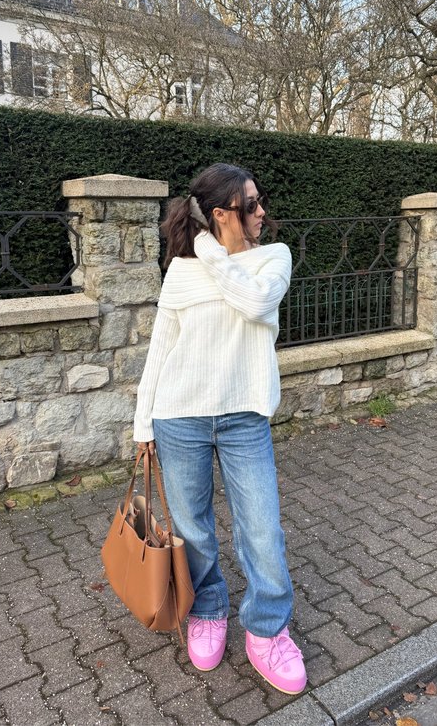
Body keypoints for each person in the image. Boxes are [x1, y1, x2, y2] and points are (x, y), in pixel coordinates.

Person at [133, 162, 306, 695]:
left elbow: (255, 304)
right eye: (250, 204)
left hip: (244, 416)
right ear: (220, 214)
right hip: (179, 414)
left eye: (259, 200)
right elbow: (161, 347)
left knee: (262, 528)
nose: (261, 212)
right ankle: (208, 609)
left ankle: (266, 629)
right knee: (193, 529)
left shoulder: (272, 259)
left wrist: (211, 248)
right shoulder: (182, 272)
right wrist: (143, 422)